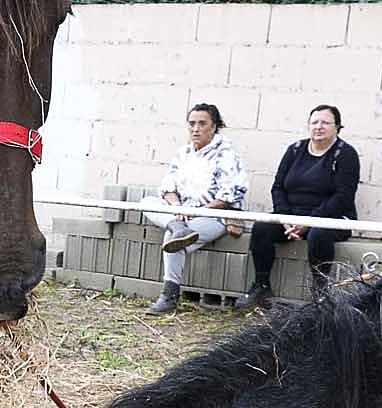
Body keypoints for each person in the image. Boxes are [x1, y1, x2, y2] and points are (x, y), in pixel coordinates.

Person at [248, 104, 362, 309]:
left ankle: (320, 295)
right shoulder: (295, 150)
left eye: (326, 122)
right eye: (314, 122)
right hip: (291, 218)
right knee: (262, 227)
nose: (319, 127)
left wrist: (308, 223)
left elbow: (343, 196)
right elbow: (278, 187)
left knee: (319, 234)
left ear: (337, 127)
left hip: (330, 217)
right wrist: (284, 218)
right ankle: (261, 287)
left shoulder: (346, 155)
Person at [140, 103, 248, 315]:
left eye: (202, 124)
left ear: (214, 127)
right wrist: (177, 208)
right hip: (182, 213)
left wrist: (197, 212)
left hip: (213, 215)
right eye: (191, 124)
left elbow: (229, 195)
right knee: (147, 202)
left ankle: (169, 296)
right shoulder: (184, 153)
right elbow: (168, 187)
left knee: (173, 240)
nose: (195, 129)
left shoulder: (225, 154)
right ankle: (177, 226)